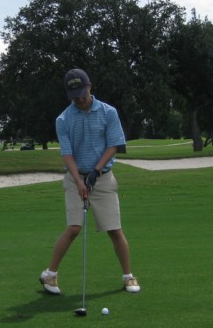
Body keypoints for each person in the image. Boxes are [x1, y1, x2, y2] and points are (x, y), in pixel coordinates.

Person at [40, 68, 140, 295]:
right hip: (75, 177)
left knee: (114, 229)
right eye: (75, 96)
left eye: (82, 94)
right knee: (74, 228)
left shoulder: (108, 112)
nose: (80, 100)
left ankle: (128, 277)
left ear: (90, 87)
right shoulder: (63, 119)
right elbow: (67, 154)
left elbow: (113, 144)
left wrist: (95, 171)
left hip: (103, 178)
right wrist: (79, 181)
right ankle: (50, 275)